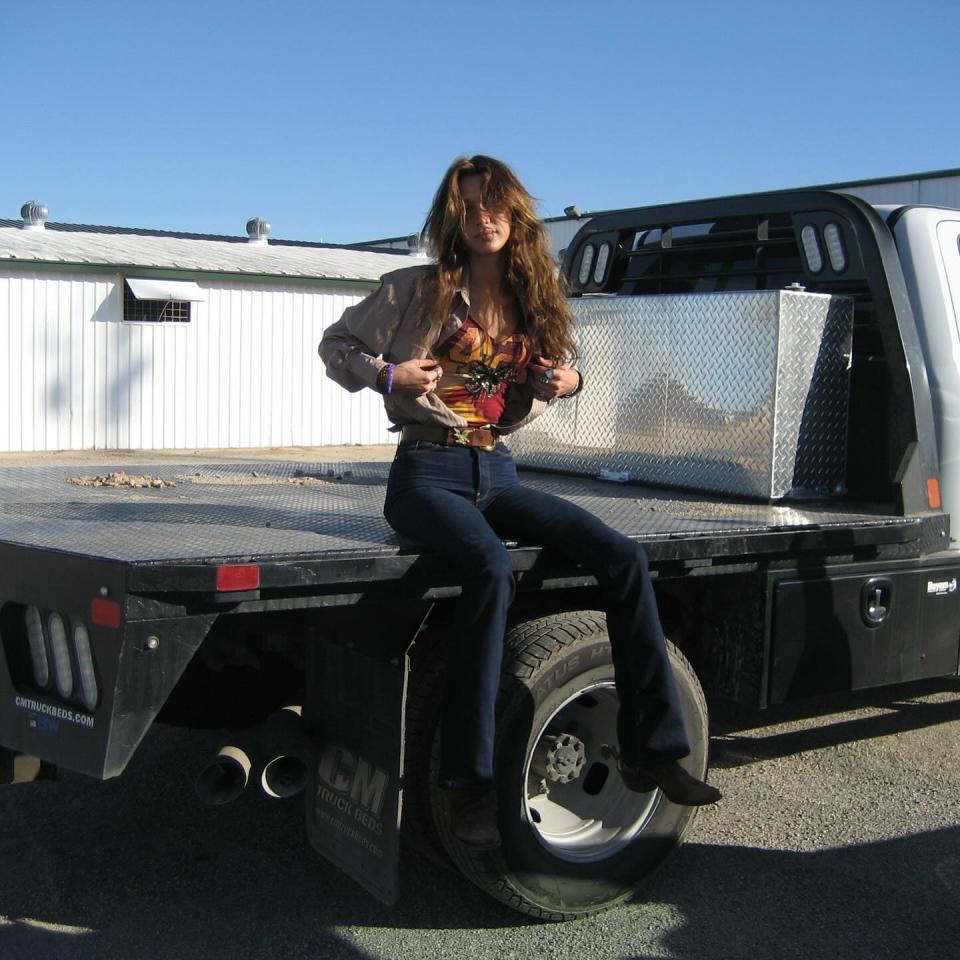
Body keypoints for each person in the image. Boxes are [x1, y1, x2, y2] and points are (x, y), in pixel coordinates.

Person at [319, 155, 720, 848]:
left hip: (497, 470)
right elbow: (336, 345)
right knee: (489, 569)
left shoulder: (535, 301)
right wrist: (387, 374)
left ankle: (656, 750)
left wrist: (570, 380)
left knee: (622, 558)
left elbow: (560, 373)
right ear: (453, 218)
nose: (483, 219)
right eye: (469, 208)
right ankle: (468, 783)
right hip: (425, 473)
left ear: (516, 215)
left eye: (494, 205)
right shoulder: (416, 287)